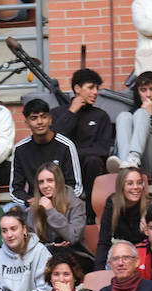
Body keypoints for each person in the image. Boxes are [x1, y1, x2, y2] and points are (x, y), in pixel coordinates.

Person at [51, 68, 117, 209]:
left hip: (90, 167)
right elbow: (55, 142)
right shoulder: (58, 113)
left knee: (93, 160)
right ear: (77, 88)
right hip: (64, 166)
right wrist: (72, 112)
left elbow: (103, 148)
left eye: (97, 88)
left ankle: (91, 212)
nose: (95, 92)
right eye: (91, 87)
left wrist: (75, 154)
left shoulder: (101, 116)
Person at [10, 100, 83, 207]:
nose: (40, 122)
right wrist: (31, 201)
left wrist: (53, 202)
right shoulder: (20, 149)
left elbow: (76, 187)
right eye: (34, 118)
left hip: (62, 203)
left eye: (43, 116)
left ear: (50, 119)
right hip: (34, 204)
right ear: (27, 123)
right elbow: (15, 190)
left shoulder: (66, 145)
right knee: (9, 209)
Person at [111, 71, 152, 173]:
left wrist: (150, 117)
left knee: (141, 113)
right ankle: (125, 163)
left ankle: (133, 158)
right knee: (124, 116)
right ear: (138, 92)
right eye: (143, 90)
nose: (148, 95)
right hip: (131, 167)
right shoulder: (132, 113)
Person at [95, 168, 152, 270]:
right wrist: (98, 272)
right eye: (130, 183)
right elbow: (104, 242)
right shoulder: (112, 203)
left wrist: (149, 231)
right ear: (121, 186)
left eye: (139, 183)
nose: (136, 187)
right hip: (120, 255)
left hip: (143, 257)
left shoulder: (150, 206)